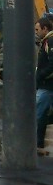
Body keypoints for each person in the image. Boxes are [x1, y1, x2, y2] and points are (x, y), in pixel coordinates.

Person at [34, 16, 53, 156]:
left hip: (46, 86)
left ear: (45, 29)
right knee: (43, 114)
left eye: (37, 29)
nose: (36, 32)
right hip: (46, 85)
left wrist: (40, 76)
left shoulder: (49, 41)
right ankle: (38, 143)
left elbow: (51, 64)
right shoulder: (46, 41)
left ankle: (37, 143)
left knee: (39, 115)